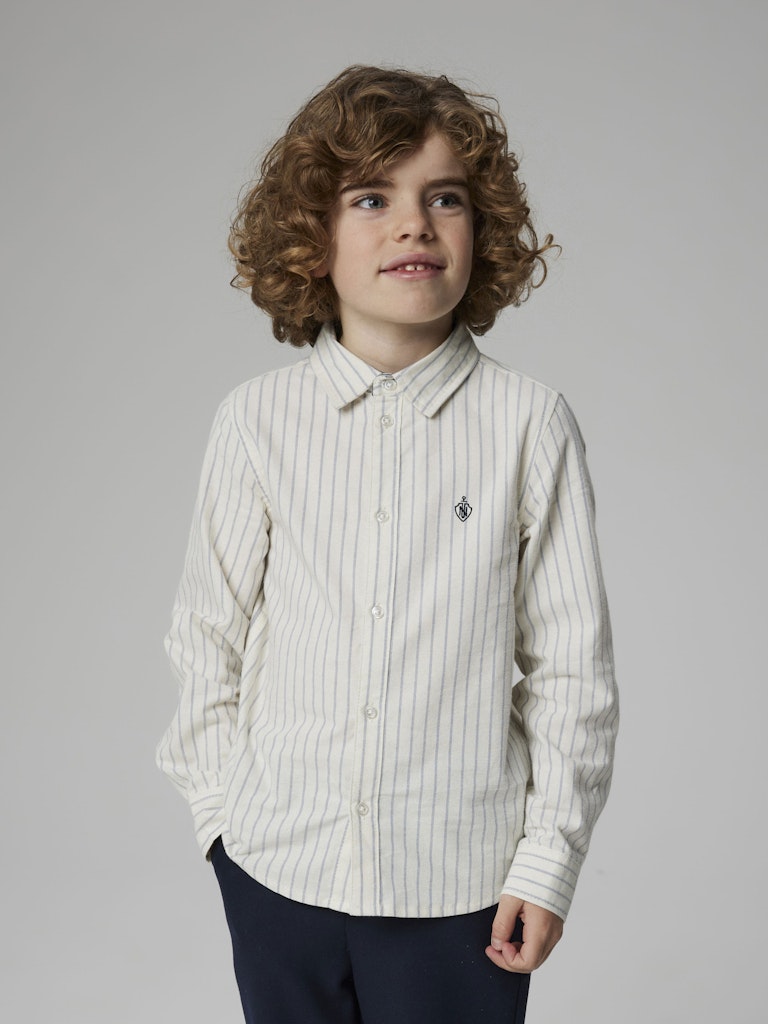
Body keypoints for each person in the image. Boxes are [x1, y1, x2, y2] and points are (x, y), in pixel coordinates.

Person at [156, 64, 619, 1024]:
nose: (414, 224)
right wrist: (222, 828)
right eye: (372, 198)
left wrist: (548, 861)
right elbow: (206, 637)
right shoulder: (256, 422)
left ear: (481, 226)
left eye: (443, 198)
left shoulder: (529, 426)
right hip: (279, 872)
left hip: (461, 891)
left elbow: (572, 672)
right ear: (311, 237)